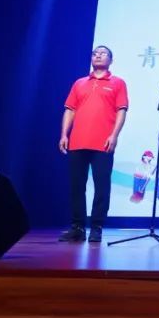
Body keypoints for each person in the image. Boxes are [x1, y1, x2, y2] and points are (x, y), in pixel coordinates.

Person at [58, 45, 128, 243]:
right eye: (95, 53)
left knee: (102, 186)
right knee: (77, 186)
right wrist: (64, 134)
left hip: (103, 143)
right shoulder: (79, 83)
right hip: (77, 142)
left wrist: (114, 135)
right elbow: (70, 110)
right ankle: (78, 227)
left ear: (111, 60)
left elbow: (121, 111)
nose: (98, 55)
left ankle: (97, 227)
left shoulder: (117, 83)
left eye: (103, 53)